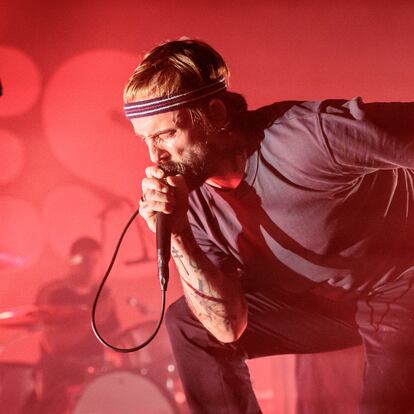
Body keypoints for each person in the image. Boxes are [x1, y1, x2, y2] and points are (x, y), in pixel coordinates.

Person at [123, 39, 414, 413]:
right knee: (190, 323)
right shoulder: (190, 197)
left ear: (213, 114)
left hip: (396, 290)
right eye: (145, 139)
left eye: (165, 134)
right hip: (314, 305)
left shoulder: (310, 137)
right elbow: (227, 328)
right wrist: (179, 235)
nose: (154, 155)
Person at [28, 237, 119, 413]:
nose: (91, 267)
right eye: (86, 261)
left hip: (98, 370)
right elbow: (53, 346)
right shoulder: (52, 294)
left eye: (96, 261)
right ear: (72, 261)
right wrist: (91, 319)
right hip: (60, 374)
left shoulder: (104, 293)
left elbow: (114, 338)